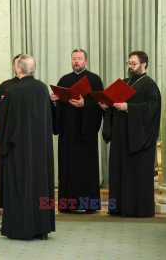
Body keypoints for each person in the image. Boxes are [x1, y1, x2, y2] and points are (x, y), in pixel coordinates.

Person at [0, 54, 55, 240]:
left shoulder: (13, 91)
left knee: (20, 187)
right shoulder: (42, 88)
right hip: (41, 150)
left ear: (18, 70)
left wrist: (3, 146)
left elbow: (4, 121)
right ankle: (42, 229)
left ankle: (21, 230)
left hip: (19, 150)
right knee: (40, 187)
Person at [101, 51, 161, 217]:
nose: (131, 67)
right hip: (121, 138)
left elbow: (152, 110)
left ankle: (137, 210)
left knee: (136, 175)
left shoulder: (150, 85)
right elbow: (114, 105)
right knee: (119, 171)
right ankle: (118, 207)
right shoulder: (125, 83)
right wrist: (107, 106)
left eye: (134, 64)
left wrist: (129, 108)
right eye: (129, 63)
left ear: (144, 65)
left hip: (138, 140)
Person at [50, 49, 104, 212]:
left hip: (86, 134)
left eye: (80, 59)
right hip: (68, 133)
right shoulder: (64, 79)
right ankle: (67, 205)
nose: (76, 61)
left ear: (86, 61)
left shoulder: (94, 79)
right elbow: (59, 105)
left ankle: (90, 206)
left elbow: (101, 104)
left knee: (87, 170)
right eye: (74, 59)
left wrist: (85, 104)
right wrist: (54, 101)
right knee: (68, 168)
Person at [0, 53, 21, 209]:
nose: (18, 67)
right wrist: (1, 102)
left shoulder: (33, 85)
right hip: (7, 134)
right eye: (16, 64)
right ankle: (4, 200)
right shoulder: (6, 84)